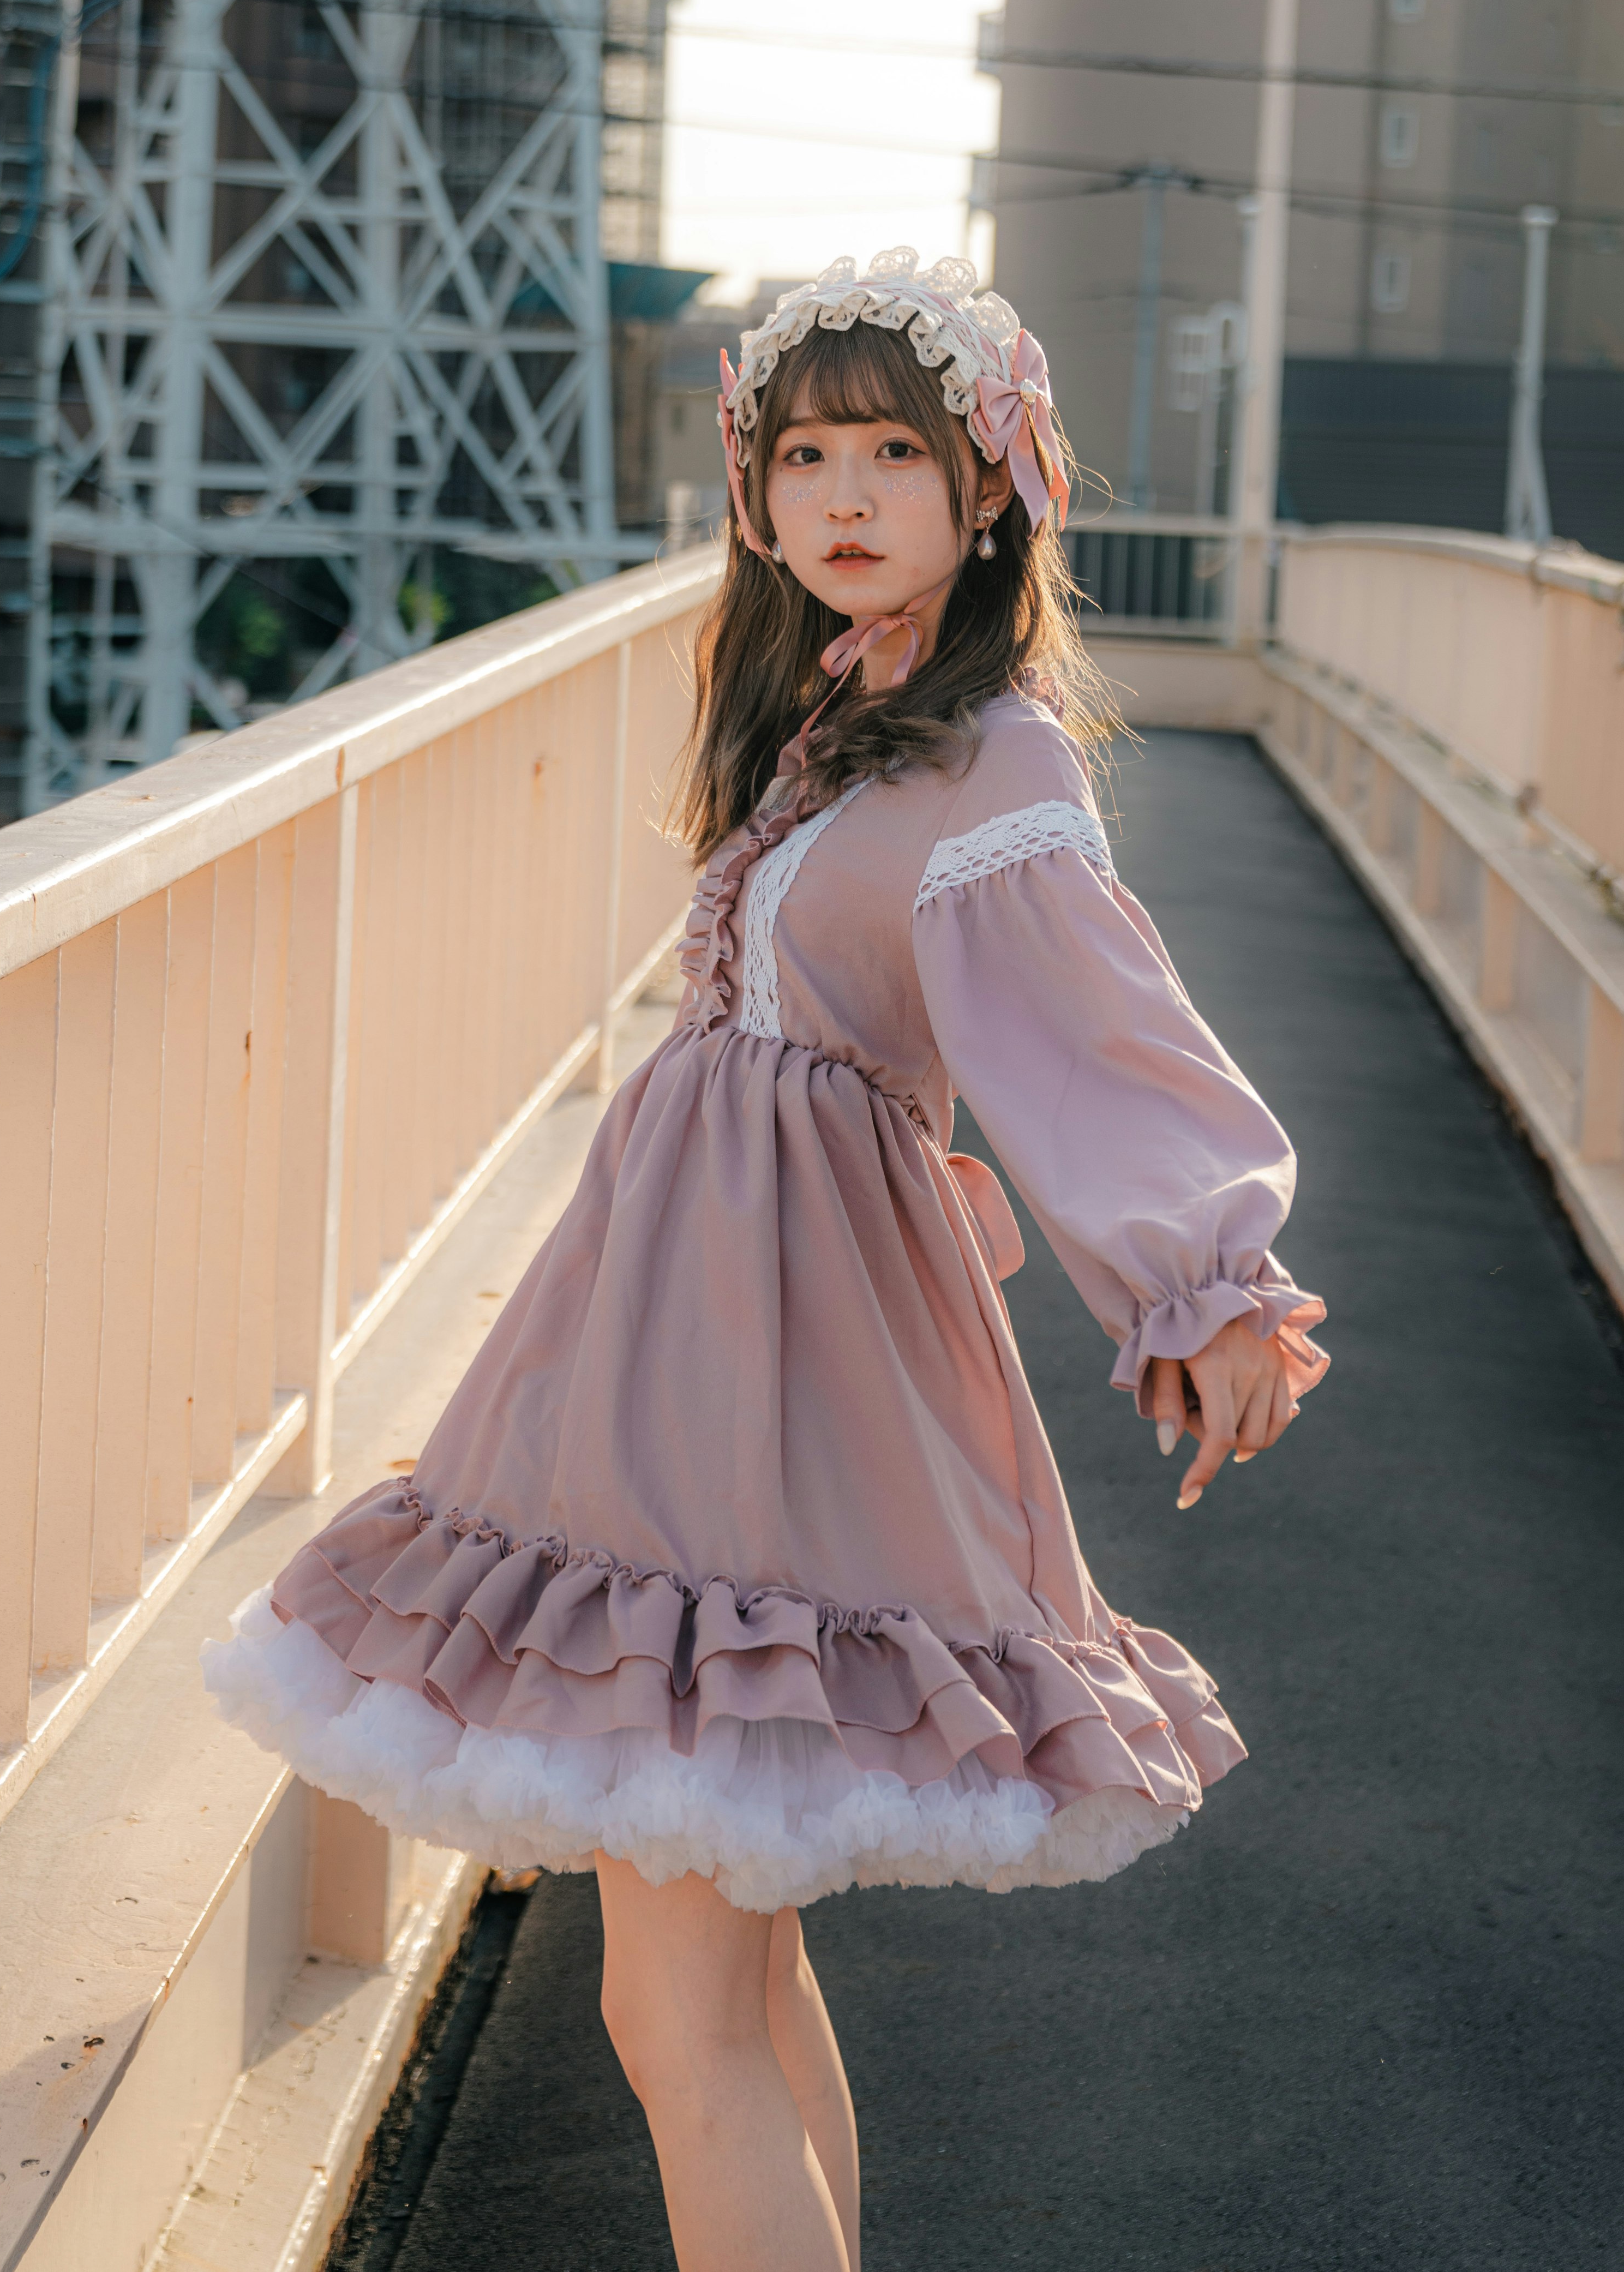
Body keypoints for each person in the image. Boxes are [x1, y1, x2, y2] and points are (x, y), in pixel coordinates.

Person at [205, 247, 1327, 2272]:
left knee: (672, 2006)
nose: (843, 494)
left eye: (895, 449)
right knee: (733, 1977)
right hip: (703, 1343)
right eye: (804, 450)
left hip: (766, 1370)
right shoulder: (842, 712)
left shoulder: (994, 762)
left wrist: (1210, 1279)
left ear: (990, 485)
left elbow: (1097, 1037)